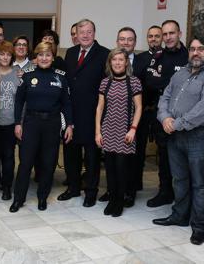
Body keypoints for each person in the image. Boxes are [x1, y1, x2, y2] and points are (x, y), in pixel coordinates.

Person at [153, 34, 204, 245]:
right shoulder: (181, 73)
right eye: (193, 48)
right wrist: (165, 117)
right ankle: (179, 216)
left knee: (201, 184)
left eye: (201, 49)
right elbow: (165, 97)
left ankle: (199, 226)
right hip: (175, 135)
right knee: (180, 179)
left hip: (200, 136)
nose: (196, 52)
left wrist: (175, 123)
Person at [10, 41, 73, 212]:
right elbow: (19, 101)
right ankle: (18, 199)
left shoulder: (60, 76)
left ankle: (42, 197)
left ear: (53, 57)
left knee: (48, 163)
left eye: (48, 55)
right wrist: (17, 123)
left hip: (52, 125)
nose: (44, 58)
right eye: (41, 55)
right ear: (36, 57)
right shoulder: (28, 75)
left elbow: (66, 103)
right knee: (25, 163)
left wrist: (69, 125)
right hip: (31, 123)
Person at [59, 18, 110, 208]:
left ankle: (91, 191)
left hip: (92, 114)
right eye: (82, 32)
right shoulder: (70, 53)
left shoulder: (105, 54)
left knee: (92, 158)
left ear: (94, 34)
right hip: (71, 113)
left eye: (89, 32)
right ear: (77, 35)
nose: (85, 35)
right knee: (70, 154)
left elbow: (107, 86)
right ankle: (73, 187)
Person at [145, 20, 189, 208]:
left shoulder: (189, 55)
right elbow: (150, 80)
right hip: (162, 113)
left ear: (179, 33)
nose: (168, 37)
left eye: (172, 33)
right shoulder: (158, 55)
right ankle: (165, 192)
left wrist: (165, 81)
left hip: (184, 115)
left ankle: (184, 197)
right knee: (163, 157)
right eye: (165, 34)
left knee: (184, 159)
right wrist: (173, 83)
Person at [95, 48, 142, 217]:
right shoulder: (105, 82)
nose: (117, 62)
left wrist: (133, 129)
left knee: (121, 170)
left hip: (125, 133)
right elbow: (100, 108)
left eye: (120, 59)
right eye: (114, 60)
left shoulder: (134, 82)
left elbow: (139, 107)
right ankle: (112, 199)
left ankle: (119, 202)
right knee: (110, 169)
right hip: (107, 131)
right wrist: (97, 132)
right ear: (110, 62)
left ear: (126, 62)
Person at [132, 25, 163, 197]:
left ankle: (163, 189)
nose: (153, 39)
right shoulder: (140, 59)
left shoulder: (167, 57)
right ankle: (135, 185)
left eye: (157, 36)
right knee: (138, 148)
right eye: (150, 36)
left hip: (161, 111)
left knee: (163, 150)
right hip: (143, 110)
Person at [0, 41, 21, 200]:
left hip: (10, 123)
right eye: (2, 54)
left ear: (12, 56)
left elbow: (23, 100)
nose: (5, 57)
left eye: (8, 54)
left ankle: (7, 187)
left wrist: (19, 123)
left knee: (8, 156)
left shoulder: (18, 73)